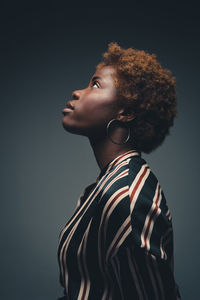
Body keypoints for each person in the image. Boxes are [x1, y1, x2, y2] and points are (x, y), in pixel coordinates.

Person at [57, 42, 181, 300]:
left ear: (125, 111)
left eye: (96, 84)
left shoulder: (126, 197)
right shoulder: (105, 185)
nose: (77, 92)